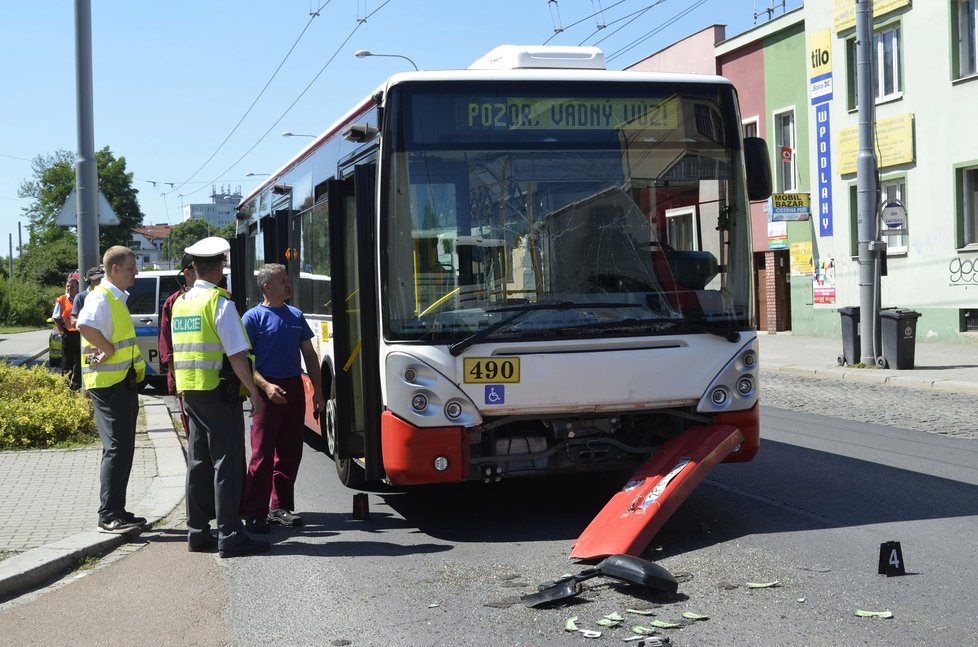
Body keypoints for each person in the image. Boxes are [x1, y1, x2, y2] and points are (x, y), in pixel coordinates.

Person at [171, 236, 268, 558]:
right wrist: (254, 393)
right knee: (226, 462)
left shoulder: (181, 302)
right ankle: (230, 534)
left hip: (190, 390)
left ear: (195, 268)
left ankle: (197, 532)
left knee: (198, 462)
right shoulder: (219, 302)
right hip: (216, 389)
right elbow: (238, 355)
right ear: (219, 268)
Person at [242, 263, 324, 533]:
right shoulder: (252, 318)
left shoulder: (295, 316)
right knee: (262, 454)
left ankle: (280, 508)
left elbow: (310, 357)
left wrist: (319, 394)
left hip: (293, 388)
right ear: (267, 286)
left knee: (290, 452)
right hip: (267, 392)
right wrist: (265, 387)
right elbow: (244, 362)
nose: (289, 285)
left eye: (288, 280)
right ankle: (255, 512)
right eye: (282, 281)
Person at [76, 247, 148, 532]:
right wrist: (105, 349)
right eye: (131, 268)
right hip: (109, 385)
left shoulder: (115, 298)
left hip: (121, 383)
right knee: (117, 448)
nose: (136, 273)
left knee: (123, 447)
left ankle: (117, 509)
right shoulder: (101, 297)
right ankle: (108, 514)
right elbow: (84, 325)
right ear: (115, 269)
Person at [158, 253, 196, 437]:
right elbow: (167, 349)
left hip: (217, 384)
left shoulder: (221, 298)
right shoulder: (172, 303)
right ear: (188, 273)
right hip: (186, 384)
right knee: (194, 438)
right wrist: (180, 384)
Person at [52, 274, 81, 390]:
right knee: (66, 361)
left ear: (78, 287)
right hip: (68, 334)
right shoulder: (62, 299)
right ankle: (66, 385)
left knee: (82, 360)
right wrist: (61, 332)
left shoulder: (82, 298)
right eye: (68, 286)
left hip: (81, 334)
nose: (69, 288)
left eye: (72, 286)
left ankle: (78, 385)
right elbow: (56, 317)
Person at [71, 265, 104, 334]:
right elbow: (73, 321)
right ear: (88, 281)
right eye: (96, 280)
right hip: (88, 338)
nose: (99, 282)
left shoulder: (107, 295)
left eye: (101, 279)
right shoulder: (80, 297)